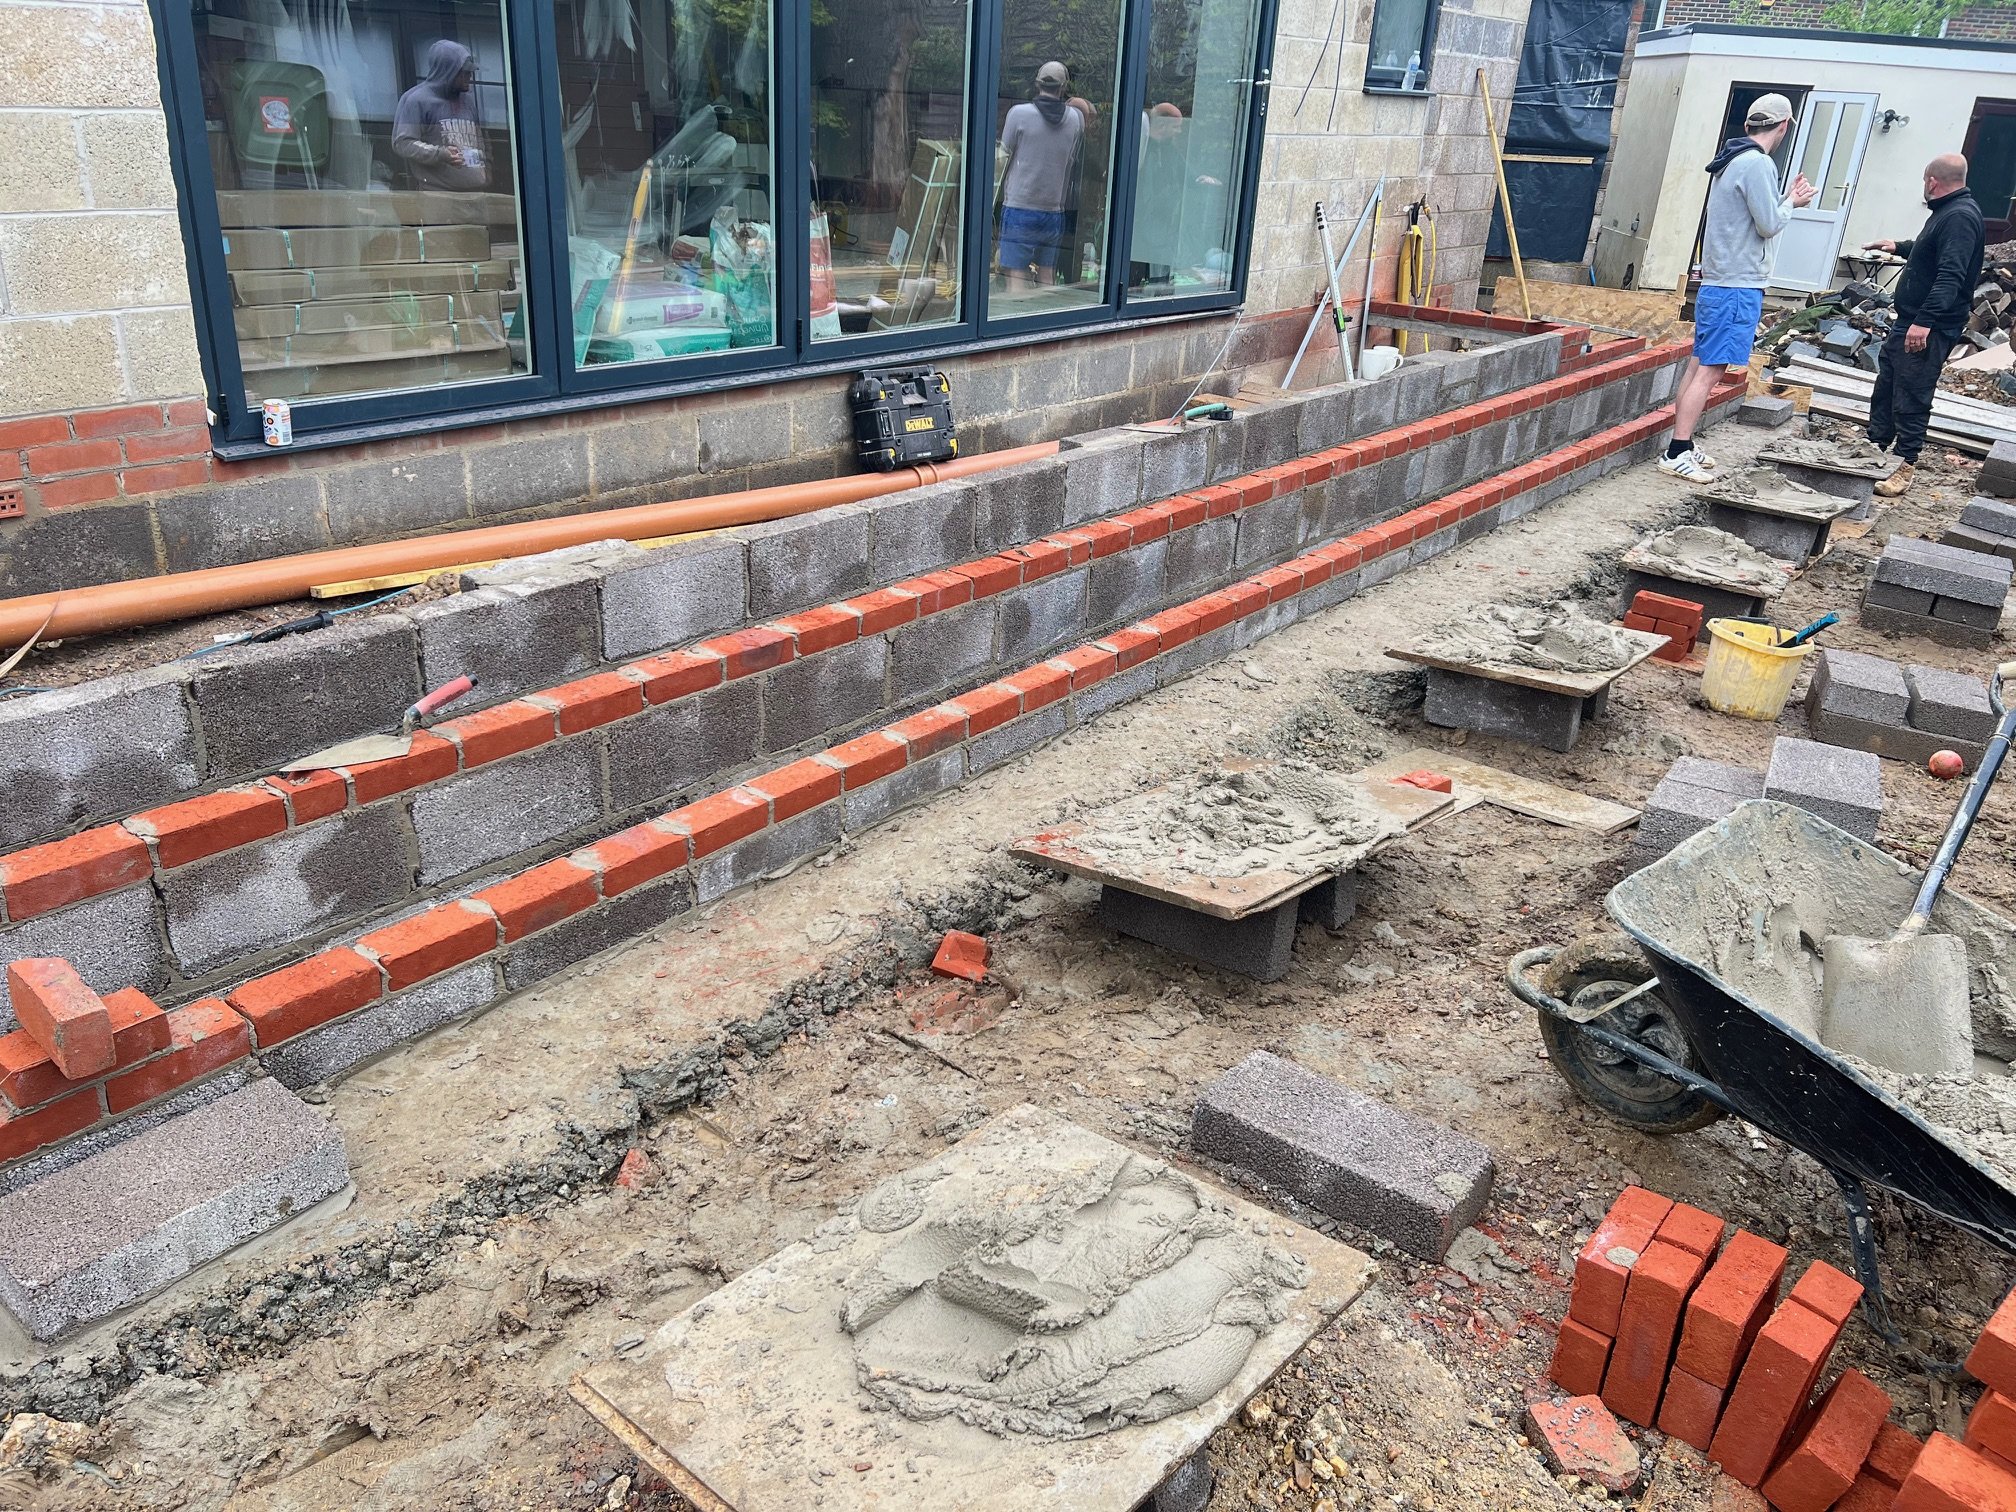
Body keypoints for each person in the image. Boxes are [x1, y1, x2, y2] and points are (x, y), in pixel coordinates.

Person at [1659, 95, 1815, 483]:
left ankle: (1684, 444)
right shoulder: (1759, 163)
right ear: (1783, 126)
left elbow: (1752, 217)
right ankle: (1677, 450)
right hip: (1738, 285)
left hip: (1719, 281)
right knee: (1710, 370)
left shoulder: (1732, 161)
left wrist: (1783, 201)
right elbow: (1768, 224)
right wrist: (1792, 203)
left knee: (1699, 363)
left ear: (1749, 125)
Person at [1860, 155, 1986, 499]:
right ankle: (1874, 450)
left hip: (1928, 326)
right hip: (1912, 320)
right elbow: (1931, 253)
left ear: (1932, 181)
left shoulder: (1959, 217)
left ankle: (1905, 464)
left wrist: (1924, 322)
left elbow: (1951, 274)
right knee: (1887, 385)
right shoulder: (1949, 212)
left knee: (1912, 393)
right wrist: (1899, 247)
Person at [996, 61, 1084, 291]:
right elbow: (1071, 160)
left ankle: (1016, 321)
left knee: (1017, 274)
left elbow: (1003, 155)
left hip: (1020, 206)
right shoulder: (1076, 119)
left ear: (1037, 84)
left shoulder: (1018, 114)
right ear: (1063, 87)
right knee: (1047, 274)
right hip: (1054, 210)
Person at [394, 40, 490, 191]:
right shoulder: (417, 100)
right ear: (447, 71)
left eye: (470, 72)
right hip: (439, 195)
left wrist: (486, 172)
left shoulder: (468, 101)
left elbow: (481, 141)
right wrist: (440, 154)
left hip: (476, 192)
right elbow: (403, 143)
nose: (469, 77)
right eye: (464, 73)